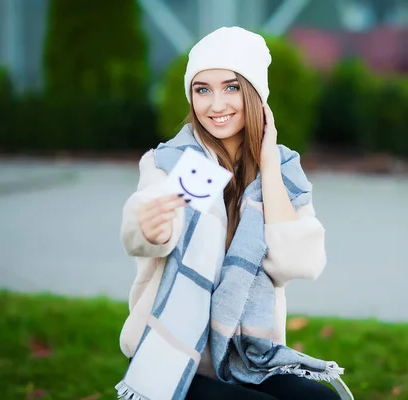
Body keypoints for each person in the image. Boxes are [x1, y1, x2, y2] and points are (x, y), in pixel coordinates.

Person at [115, 26, 353, 400]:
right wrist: (151, 228)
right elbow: (151, 218)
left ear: (255, 93)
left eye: (231, 87)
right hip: (176, 356)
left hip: (246, 356)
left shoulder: (281, 168)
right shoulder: (183, 162)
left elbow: (296, 263)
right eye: (202, 90)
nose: (216, 104)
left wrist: (269, 163)